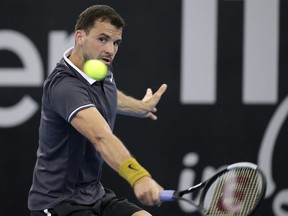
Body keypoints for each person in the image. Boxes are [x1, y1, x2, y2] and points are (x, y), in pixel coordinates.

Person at [28, 4, 167, 216]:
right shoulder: (64, 87)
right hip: (58, 202)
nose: (110, 50)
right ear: (80, 36)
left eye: (116, 42)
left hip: (94, 194)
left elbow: (106, 96)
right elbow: (101, 137)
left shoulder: (99, 65)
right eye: (102, 39)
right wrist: (139, 177)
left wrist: (140, 107)